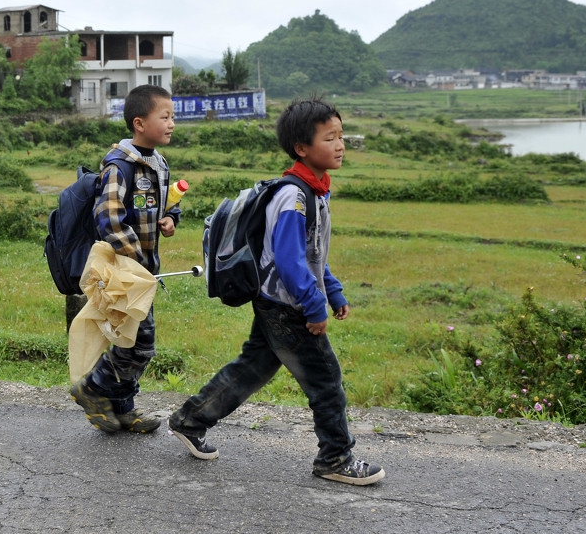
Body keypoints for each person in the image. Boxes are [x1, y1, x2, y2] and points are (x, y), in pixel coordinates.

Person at [167, 98, 385, 485]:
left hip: (278, 302)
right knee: (325, 379)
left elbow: (312, 253)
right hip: (287, 307)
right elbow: (289, 261)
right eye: (329, 138)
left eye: (341, 136)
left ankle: (190, 420)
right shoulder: (294, 196)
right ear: (302, 148)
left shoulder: (315, 191)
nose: (340, 145)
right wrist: (314, 306)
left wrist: (332, 290)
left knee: (252, 368)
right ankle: (335, 458)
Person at [69, 84, 181, 434]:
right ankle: (93, 388)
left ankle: (123, 409)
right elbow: (110, 221)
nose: (172, 123)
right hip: (125, 272)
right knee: (141, 344)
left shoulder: (158, 163)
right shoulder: (120, 166)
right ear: (139, 123)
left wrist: (170, 220)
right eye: (164, 117)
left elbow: (165, 206)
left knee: (128, 337)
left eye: (172, 116)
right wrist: (137, 261)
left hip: (143, 272)